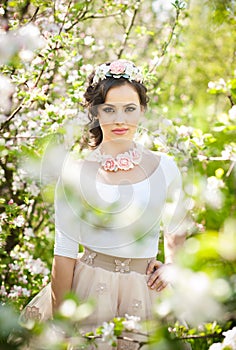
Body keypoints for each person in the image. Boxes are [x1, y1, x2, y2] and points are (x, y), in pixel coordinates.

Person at [22, 59, 188, 349]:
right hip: (88, 291)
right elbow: (64, 253)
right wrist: (62, 325)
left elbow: (176, 229)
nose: (119, 119)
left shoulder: (166, 167)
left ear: (142, 111)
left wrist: (172, 266)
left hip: (145, 292)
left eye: (129, 108)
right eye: (109, 109)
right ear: (95, 113)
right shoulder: (75, 172)